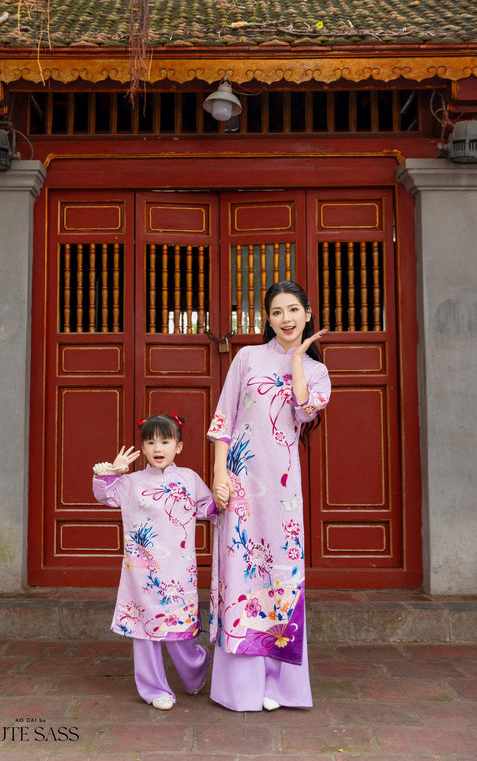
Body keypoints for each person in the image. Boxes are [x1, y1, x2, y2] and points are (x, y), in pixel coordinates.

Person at [207, 281, 331, 712]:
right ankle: (240, 688)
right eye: (277, 312)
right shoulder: (246, 357)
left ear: (308, 313)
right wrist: (219, 474)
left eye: (293, 310)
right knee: (241, 574)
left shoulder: (316, 373)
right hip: (240, 485)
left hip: (281, 491)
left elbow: (303, 410)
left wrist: (297, 359)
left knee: (279, 576)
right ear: (267, 318)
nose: (286, 319)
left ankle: (279, 685)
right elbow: (224, 416)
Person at [92, 413, 221, 711]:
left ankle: (195, 671)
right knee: (145, 631)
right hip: (142, 572)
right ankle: (154, 689)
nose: (157, 447)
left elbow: (209, 508)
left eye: (165, 441)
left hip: (179, 572)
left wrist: (228, 496)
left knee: (180, 632)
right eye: (150, 442)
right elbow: (106, 496)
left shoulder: (189, 478)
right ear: (143, 448)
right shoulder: (131, 482)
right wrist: (111, 472)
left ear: (179, 446)